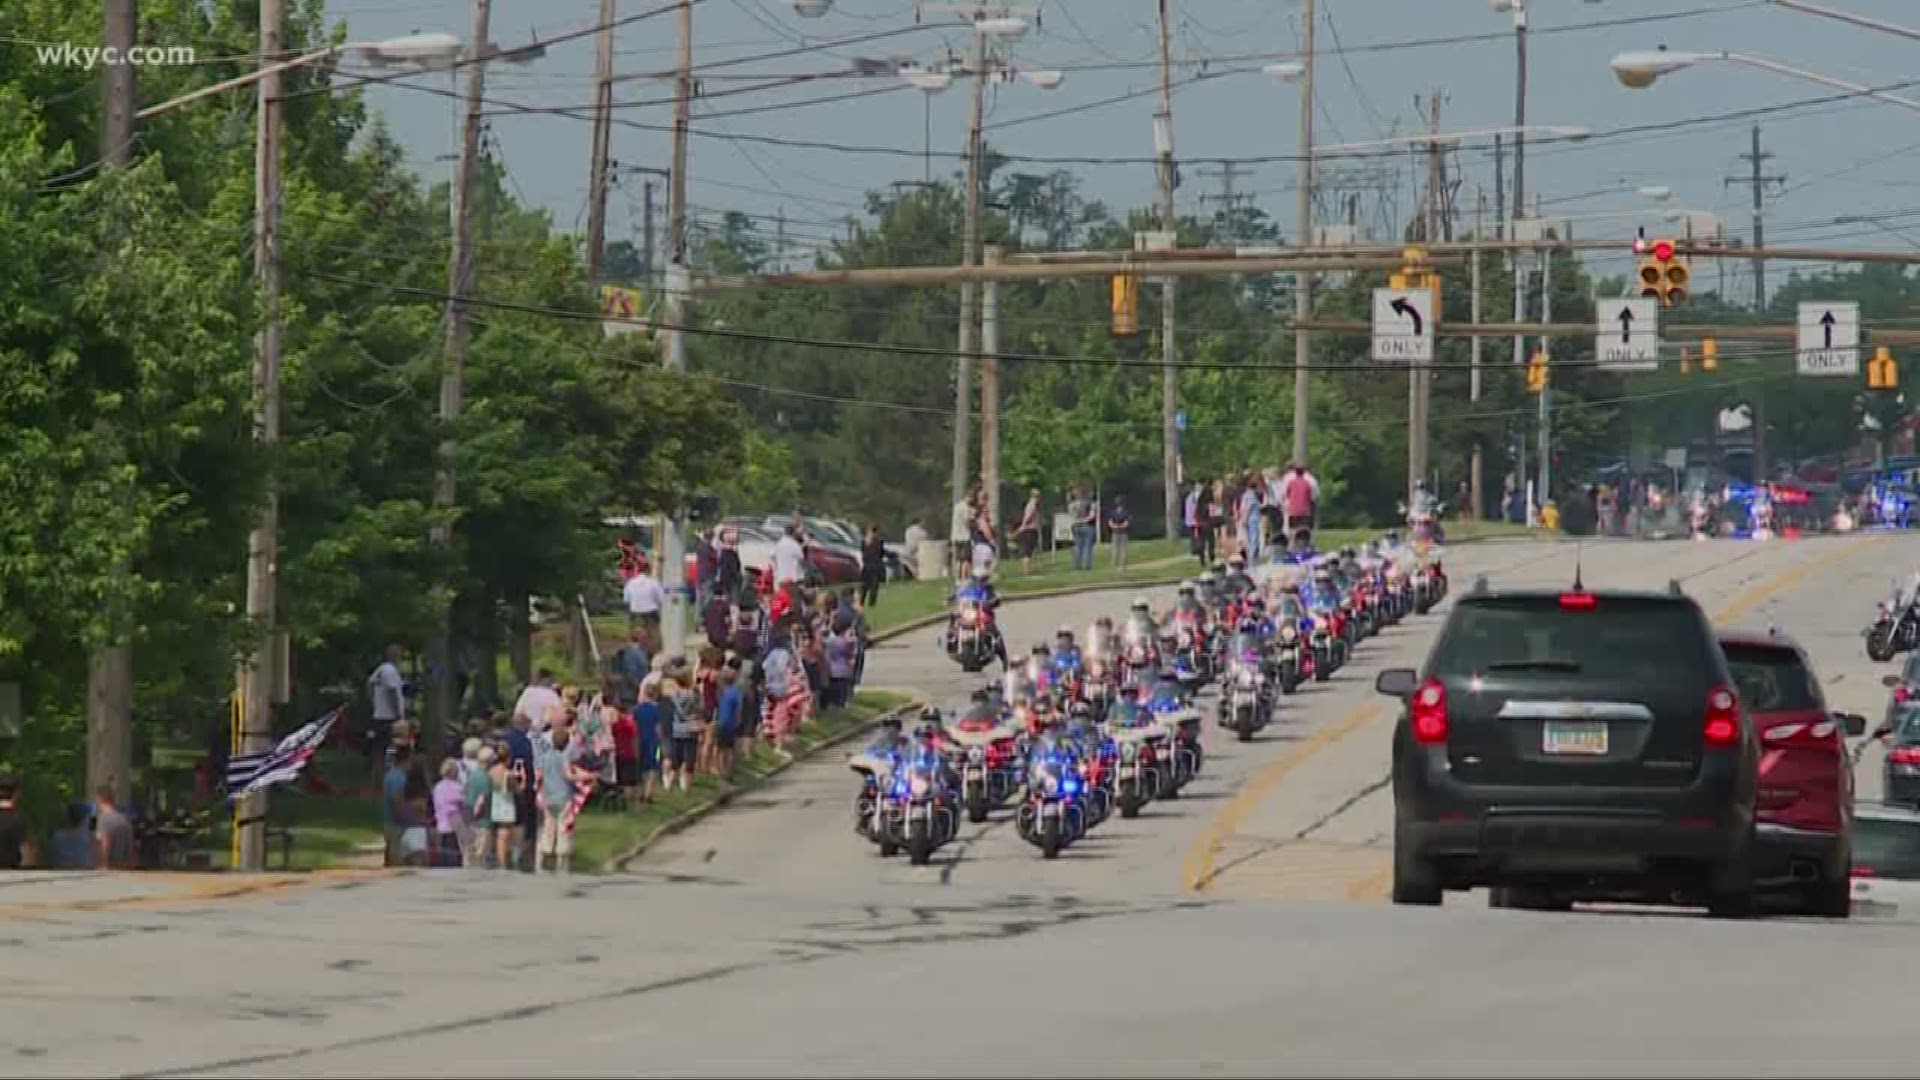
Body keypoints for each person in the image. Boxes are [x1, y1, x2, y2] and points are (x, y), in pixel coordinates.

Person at [365, 644, 408, 779]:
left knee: (379, 751)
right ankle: (388, 779)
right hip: (389, 718)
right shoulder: (390, 671)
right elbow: (392, 691)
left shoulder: (380, 669)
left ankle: (377, 780)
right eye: (399, 654)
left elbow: (369, 684)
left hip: (379, 715)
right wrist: (398, 714)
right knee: (392, 750)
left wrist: (374, 702)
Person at [622, 561, 666, 651]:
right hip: (650, 611)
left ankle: (633, 646)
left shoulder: (631, 583)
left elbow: (626, 600)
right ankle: (654, 650)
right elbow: (661, 599)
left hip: (635, 612)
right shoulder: (653, 582)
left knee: (634, 632)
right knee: (654, 633)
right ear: (649, 570)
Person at [432, 759, 466, 867]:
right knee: (454, 857)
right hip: (454, 827)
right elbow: (464, 807)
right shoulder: (457, 788)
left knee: (444, 857)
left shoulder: (437, 787)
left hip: (441, 825)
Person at [1015, 489, 1042, 574]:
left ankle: (1027, 570)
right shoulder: (1032, 505)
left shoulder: (1033, 505)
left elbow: (1028, 518)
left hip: (1029, 530)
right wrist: (1022, 526)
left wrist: (1021, 527)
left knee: (1027, 551)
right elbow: (1028, 518)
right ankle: (1026, 570)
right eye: (1037, 496)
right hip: (1029, 530)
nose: (1039, 498)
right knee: (1026, 551)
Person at [859, 525, 886, 608]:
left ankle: (861, 602)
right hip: (876, 565)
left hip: (867, 565)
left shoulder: (864, 541)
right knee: (874, 586)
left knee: (865, 586)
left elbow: (863, 552)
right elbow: (881, 553)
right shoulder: (879, 541)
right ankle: (871, 604)